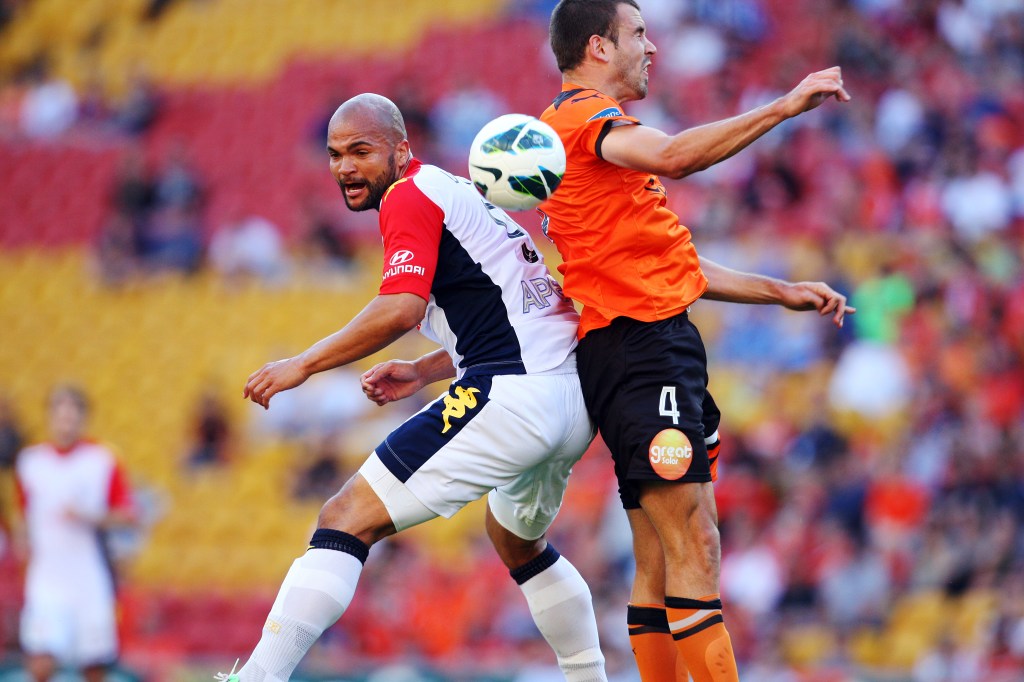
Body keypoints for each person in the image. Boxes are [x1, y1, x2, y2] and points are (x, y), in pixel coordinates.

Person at [222, 93, 608, 682]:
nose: (345, 167)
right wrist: (427, 370)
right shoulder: (457, 192)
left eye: (361, 151)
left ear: (401, 150)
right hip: (570, 396)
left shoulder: (408, 194)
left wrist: (304, 364)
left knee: (345, 516)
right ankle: (589, 676)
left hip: (513, 395)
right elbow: (518, 315)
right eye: (335, 154)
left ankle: (257, 679)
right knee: (517, 543)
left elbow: (401, 308)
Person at [541, 2, 852, 680]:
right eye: (639, 33)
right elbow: (677, 155)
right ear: (598, 47)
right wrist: (784, 106)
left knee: (661, 555)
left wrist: (779, 291)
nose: (652, 47)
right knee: (695, 544)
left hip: (646, 347)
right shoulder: (583, 120)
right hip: (642, 352)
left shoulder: (586, 138)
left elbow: (668, 264)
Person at [13, 385, 137, 682]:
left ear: (83, 417)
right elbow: (23, 513)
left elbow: (128, 515)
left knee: (93, 666)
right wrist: (22, 541)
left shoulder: (101, 460)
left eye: (72, 413)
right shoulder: (30, 462)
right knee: (41, 662)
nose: (66, 420)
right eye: (60, 412)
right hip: (47, 577)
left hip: (87, 578)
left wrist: (88, 515)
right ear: (50, 417)